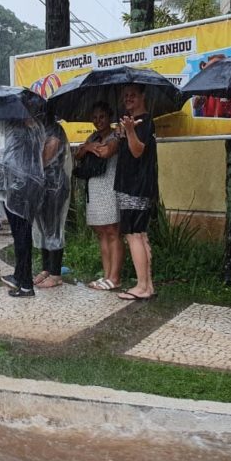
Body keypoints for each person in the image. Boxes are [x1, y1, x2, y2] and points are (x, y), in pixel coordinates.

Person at [0, 116, 45, 297]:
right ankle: (20, 276)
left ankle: (25, 284)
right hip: (32, 182)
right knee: (23, 233)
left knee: (20, 235)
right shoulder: (35, 124)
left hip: (13, 184)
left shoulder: (3, 123)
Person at [115, 84, 158, 301]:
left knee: (133, 235)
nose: (128, 98)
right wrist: (124, 131)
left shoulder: (145, 122)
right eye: (126, 95)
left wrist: (130, 131)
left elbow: (138, 151)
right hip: (131, 185)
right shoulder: (131, 122)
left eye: (133, 94)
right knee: (140, 234)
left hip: (135, 187)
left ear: (143, 96)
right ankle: (147, 285)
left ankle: (142, 286)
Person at [74, 101, 122, 290]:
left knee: (113, 231)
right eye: (94, 117)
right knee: (101, 232)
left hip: (110, 186)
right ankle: (106, 275)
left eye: (102, 116)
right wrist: (87, 147)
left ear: (109, 116)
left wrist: (90, 147)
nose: (98, 121)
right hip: (94, 188)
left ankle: (115, 277)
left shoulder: (116, 134)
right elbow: (78, 153)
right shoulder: (92, 136)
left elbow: (106, 152)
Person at [32, 118, 71, 288]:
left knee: (53, 228)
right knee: (43, 228)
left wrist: (31, 161)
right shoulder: (37, 128)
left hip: (54, 184)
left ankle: (55, 273)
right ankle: (46, 268)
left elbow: (47, 155)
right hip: (41, 184)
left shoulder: (54, 129)